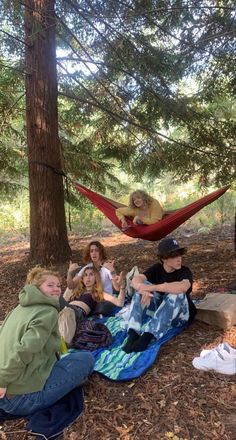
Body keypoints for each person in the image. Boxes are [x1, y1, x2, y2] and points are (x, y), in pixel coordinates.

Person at [0, 267, 94, 416]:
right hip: (22, 399)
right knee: (86, 358)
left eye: (58, 286)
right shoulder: (47, 312)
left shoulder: (18, 308)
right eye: (50, 285)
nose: (56, 289)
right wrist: (3, 380)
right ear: (36, 288)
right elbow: (25, 349)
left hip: (7, 393)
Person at [122, 237, 196, 353]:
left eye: (179, 255)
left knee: (175, 293)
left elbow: (182, 287)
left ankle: (147, 336)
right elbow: (136, 279)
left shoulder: (185, 271)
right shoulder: (157, 268)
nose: (179, 259)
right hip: (160, 313)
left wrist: (152, 287)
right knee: (142, 287)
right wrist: (142, 289)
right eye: (174, 256)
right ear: (164, 259)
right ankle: (133, 333)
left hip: (180, 317)